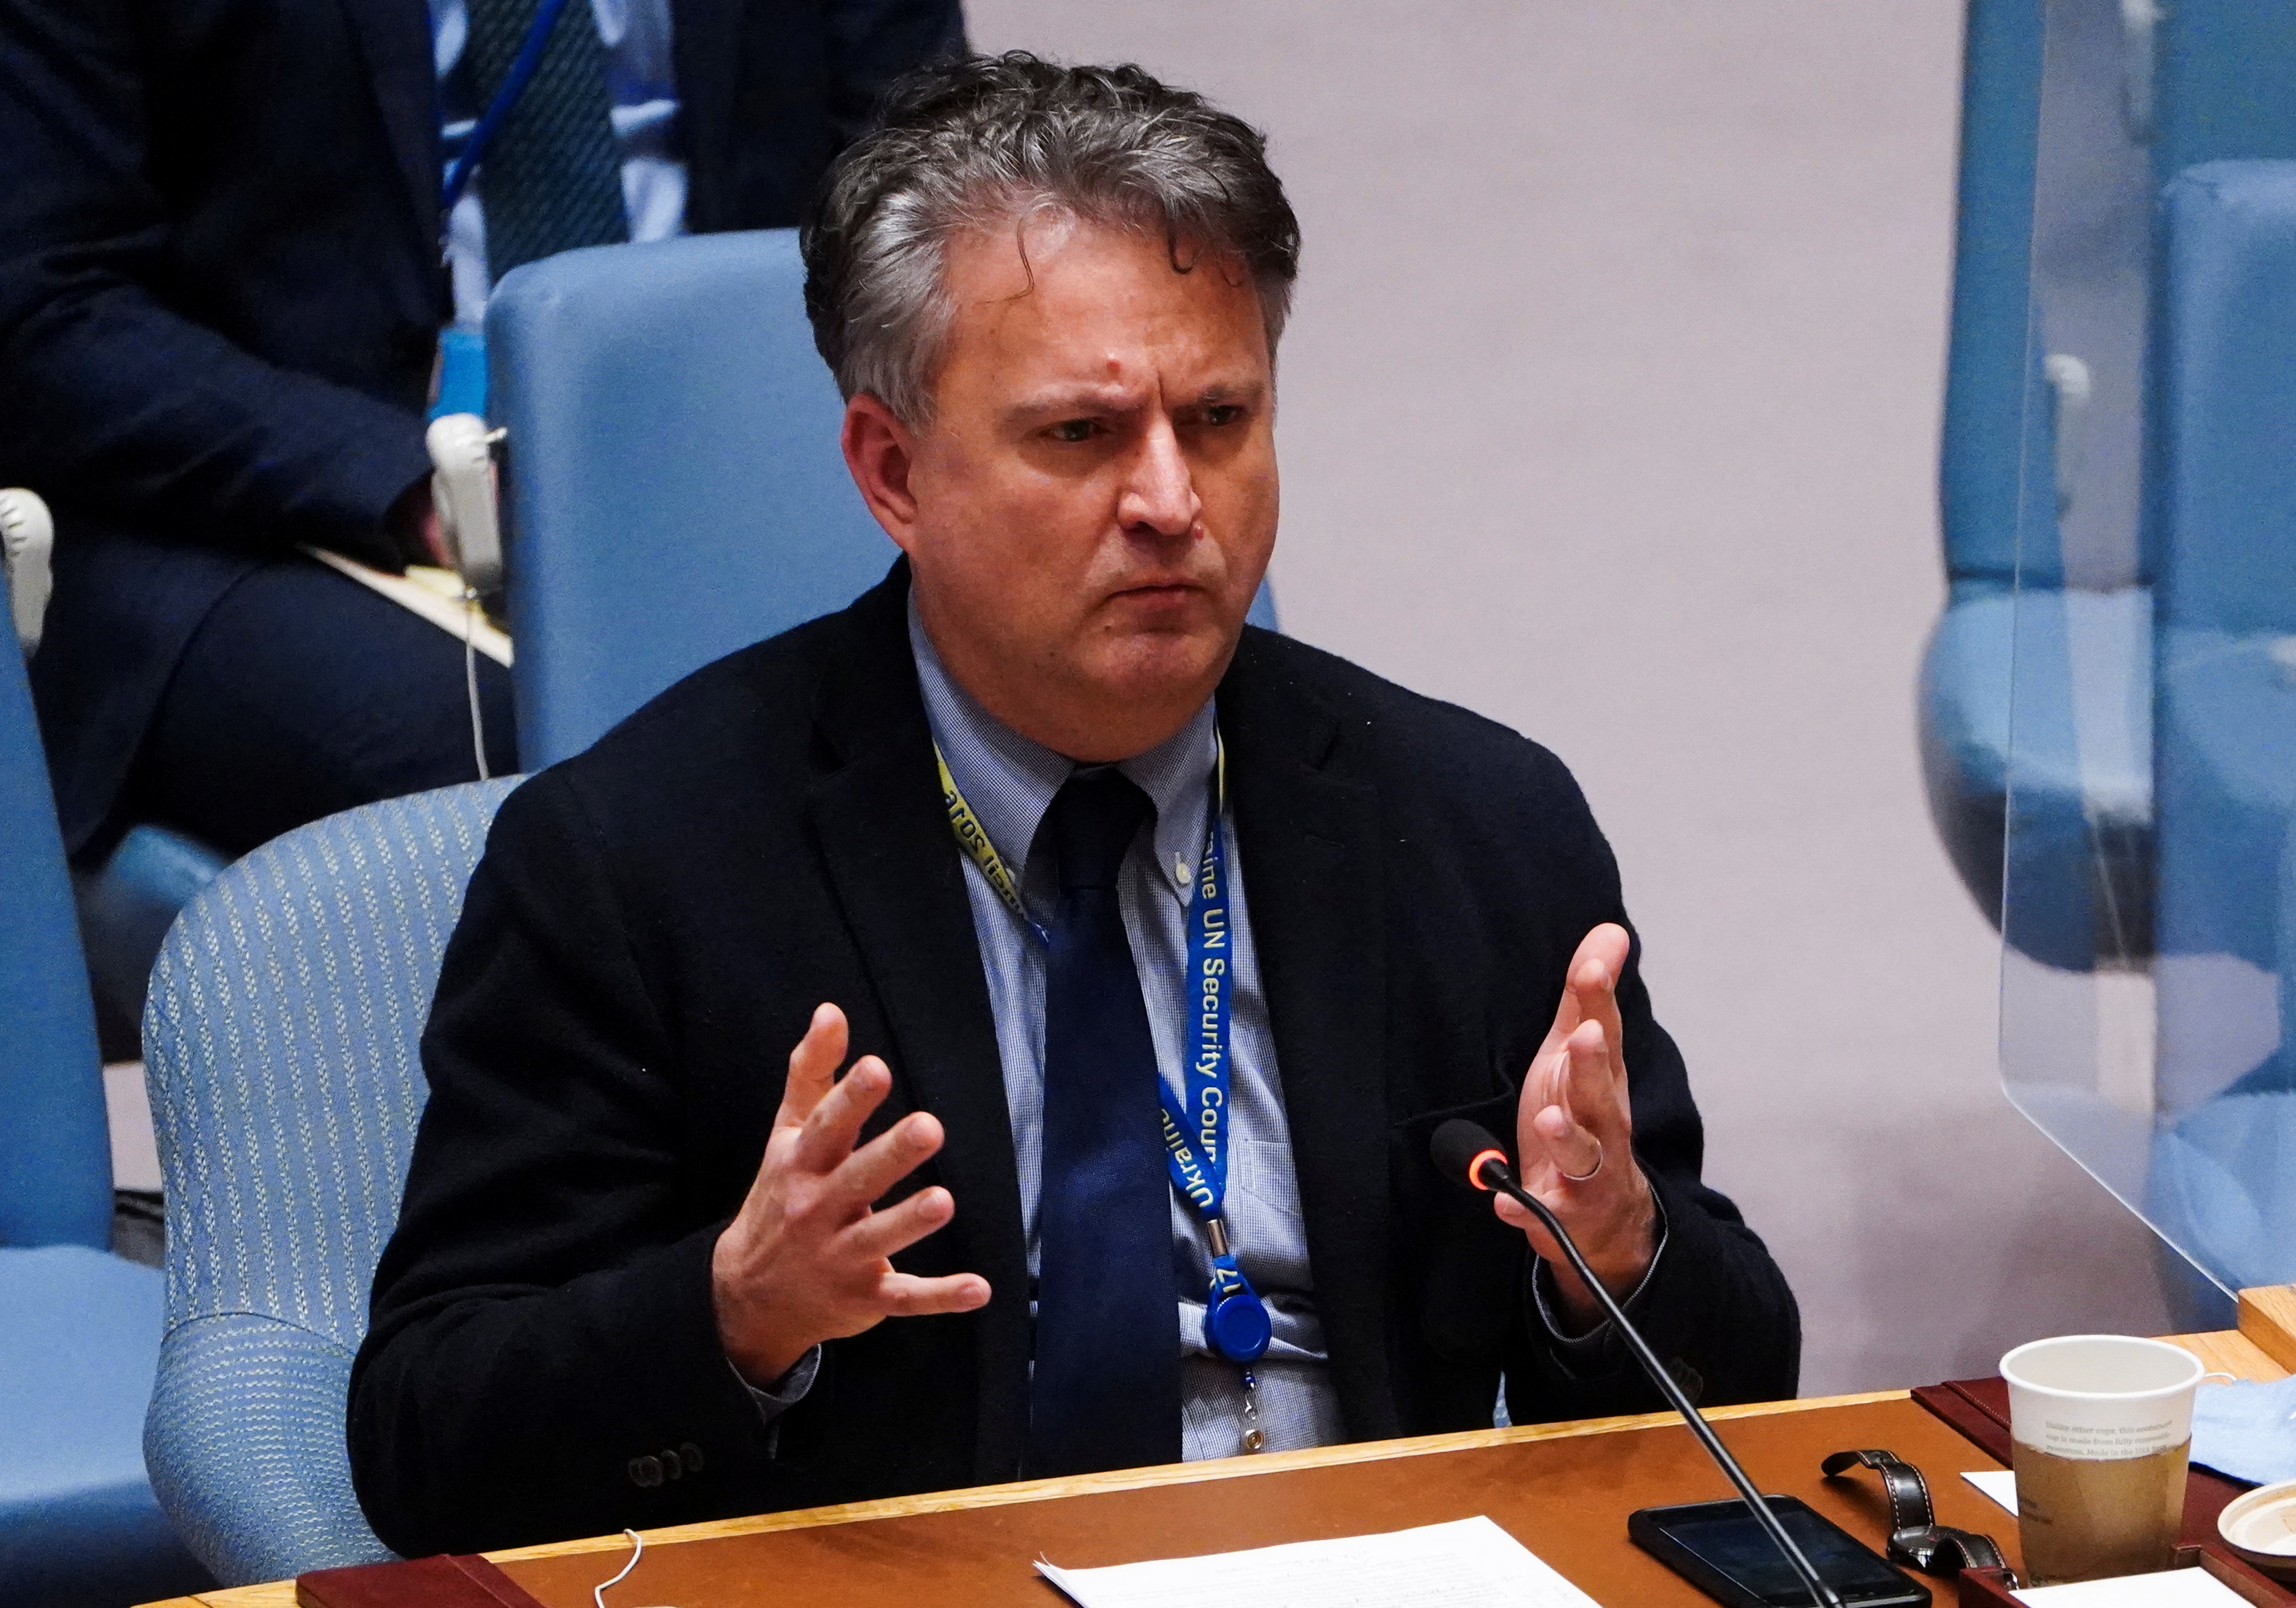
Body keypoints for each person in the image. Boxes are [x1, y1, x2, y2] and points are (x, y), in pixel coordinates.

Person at [349, 53, 1800, 1557]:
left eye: (1220, 418)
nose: (1172, 501)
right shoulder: (637, 861)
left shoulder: (1474, 824)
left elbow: (1746, 1385)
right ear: (893, 471)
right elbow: (424, 1439)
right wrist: (735, 1315)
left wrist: (1611, 1258)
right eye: (1081, 436)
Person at [0, 0, 964, 885]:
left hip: (726, 462)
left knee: (1004, 666)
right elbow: (47, 313)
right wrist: (397, 481)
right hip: (263, 513)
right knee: (574, 758)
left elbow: (939, 208)